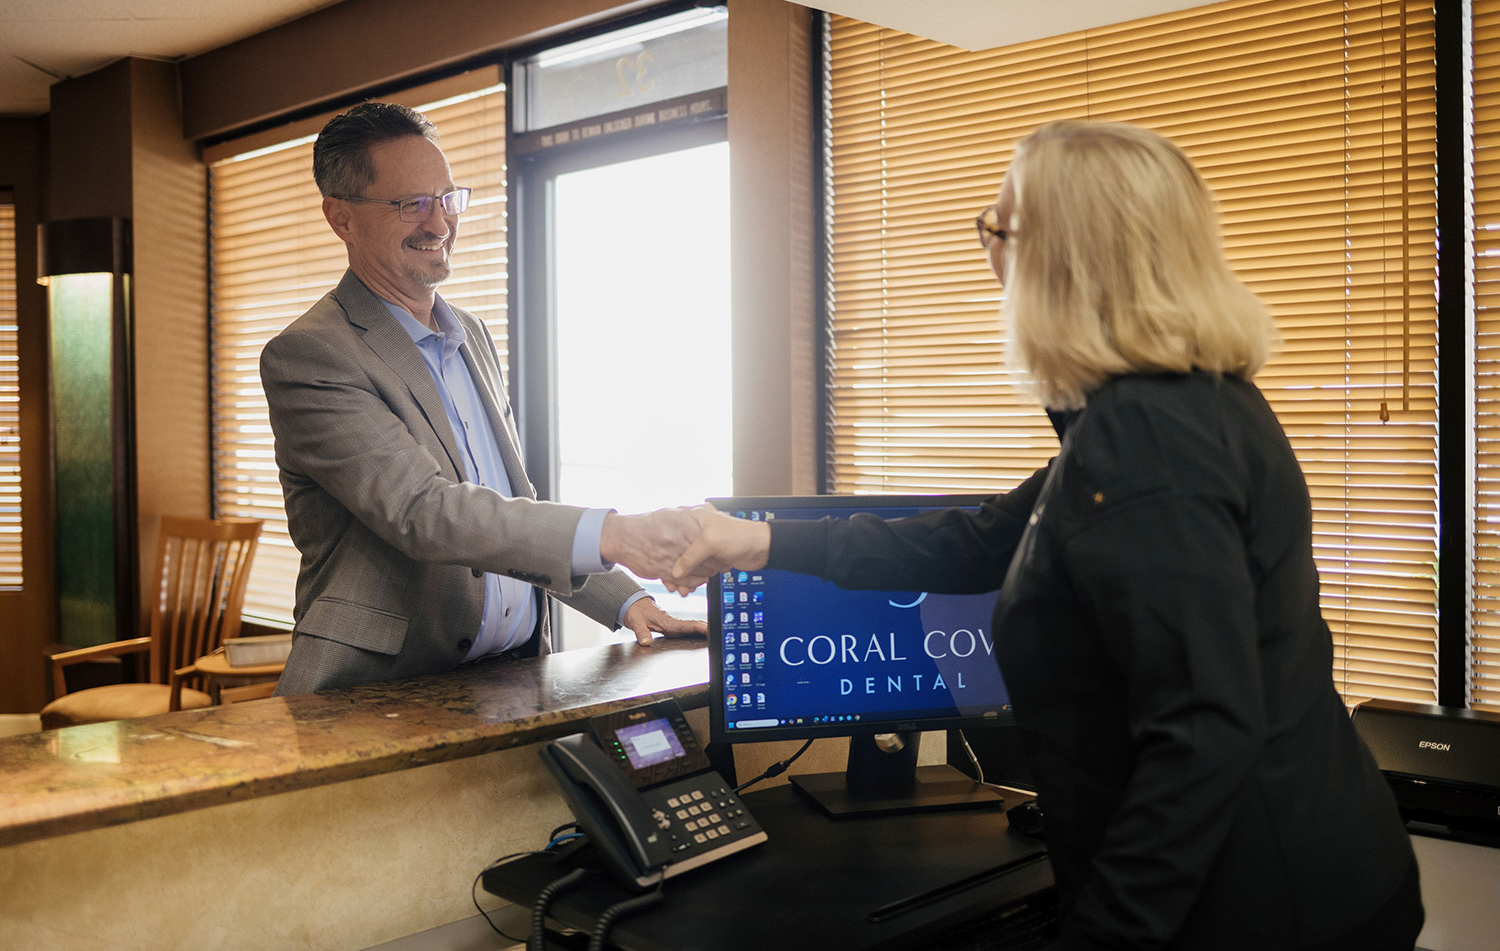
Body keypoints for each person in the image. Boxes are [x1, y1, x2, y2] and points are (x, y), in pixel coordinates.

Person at [669, 121, 1423, 950]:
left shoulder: (1147, 438)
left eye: (996, 227)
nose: (985, 251)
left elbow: (1203, 734)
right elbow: (982, 535)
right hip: (1311, 875)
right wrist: (762, 543)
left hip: (1263, 906)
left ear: (1066, 255)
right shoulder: (1180, 406)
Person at [263, 101, 704, 696]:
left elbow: (506, 506)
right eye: (410, 204)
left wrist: (627, 600)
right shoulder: (311, 356)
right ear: (341, 218)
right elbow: (424, 512)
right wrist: (615, 533)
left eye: (448, 198)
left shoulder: (470, 334)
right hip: (374, 693)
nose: (439, 223)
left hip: (512, 679)